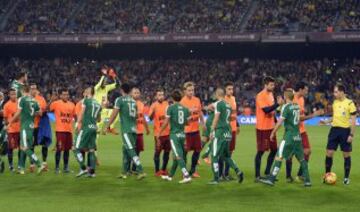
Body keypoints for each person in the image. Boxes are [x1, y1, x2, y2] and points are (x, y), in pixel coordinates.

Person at [259, 89, 311, 187]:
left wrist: (273, 132)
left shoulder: (286, 107)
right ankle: (307, 181)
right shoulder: (296, 106)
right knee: (301, 159)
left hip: (289, 137)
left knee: (279, 156)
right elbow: (298, 119)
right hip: (297, 136)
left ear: (286, 97)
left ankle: (271, 179)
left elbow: (280, 122)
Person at [105, 83, 146, 180]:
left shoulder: (119, 100)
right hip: (133, 130)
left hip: (126, 130)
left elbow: (114, 114)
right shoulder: (133, 101)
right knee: (125, 150)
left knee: (130, 150)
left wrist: (108, 126)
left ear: (121, 90)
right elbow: (136, 117)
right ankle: (124, 172)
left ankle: (140, 170)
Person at [285, 82, 323, 182]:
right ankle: (288, 176)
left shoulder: (302, 99)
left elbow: (301, 114)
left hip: (301, 130)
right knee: (290, 154)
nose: (307, 91)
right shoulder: (292, 99)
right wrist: (313, 115)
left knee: (307, 151)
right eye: (305, 90)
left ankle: (300, 174)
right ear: (300, 90)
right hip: (292, 130)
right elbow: (296, 118)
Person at [320, 84, 357, 185]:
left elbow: (353, 121)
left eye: (336, 92)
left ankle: (346, 178)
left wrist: (351, 135)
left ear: (341, 92)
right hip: (334, 131)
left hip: (345, 131)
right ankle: (327, 175)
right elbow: (334, 116)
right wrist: (326, 121)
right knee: (329, 153)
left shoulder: (350, 103)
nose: (334, 94)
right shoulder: (335, 102)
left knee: (346, 155)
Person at [208, 88, 244, 185]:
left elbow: (216, 118)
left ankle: (216, 179)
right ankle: (238, 171)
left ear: (217, 94)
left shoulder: (219, 104)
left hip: (220, 131)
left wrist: (212, 130)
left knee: (214, 155)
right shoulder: (228, 105)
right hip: (228, 132)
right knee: (226, 156)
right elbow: (230, 117)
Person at [8, 85, 46, 174]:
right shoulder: (34, 100)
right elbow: (40, 113)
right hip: (32, 126)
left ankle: (39, 164)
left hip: (25, 127)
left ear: (23, 91)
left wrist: (10, 122)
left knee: (24, 147)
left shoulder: (22, 99)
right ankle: (21, 168)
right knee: (25, 147)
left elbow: (18, 112)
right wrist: (30, 114)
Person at [159, 90, 192, 184]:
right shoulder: (186, 109)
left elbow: (166, 122)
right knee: (177, 156)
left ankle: (186, 175)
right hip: (182, 135)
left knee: (178, 156)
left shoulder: (171, 108)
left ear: (172, 98)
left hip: (174, 135)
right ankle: (170, 176)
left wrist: (160, 132)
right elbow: (188, 122)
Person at [255, 76, 283, 181]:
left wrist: (276, 122)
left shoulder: (271, 94)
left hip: (271, 127)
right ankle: (257, 176)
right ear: (265, 85)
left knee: (274, 150)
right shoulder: (260, 96)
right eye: (271, 85)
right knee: (261, 152)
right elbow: (266, 110)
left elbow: (272, 111)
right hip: (263, 128)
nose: (273, 86)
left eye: (273, 84)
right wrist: (277, 104)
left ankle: (267, 172)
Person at [73, 87, 101, 178]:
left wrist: (77, 123)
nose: (84, 92)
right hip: (94, 128)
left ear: (89, 92)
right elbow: (99, 119)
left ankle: (83, 168)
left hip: (86, 128)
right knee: (91, 150)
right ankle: (92, 173)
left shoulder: (86, 101)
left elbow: (82, 113)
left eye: (86, 91)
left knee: (75, 148)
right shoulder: (98, 104)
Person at [180, 82, 206, 178]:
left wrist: (203, 123)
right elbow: (181, 119)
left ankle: (193, 170)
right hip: (186, 131)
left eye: (193, 90)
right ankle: (184, 172)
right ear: (185, 91)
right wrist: (187, 119)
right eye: (189, 90)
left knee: (197, 150)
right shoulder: (182, 102)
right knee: (185, 152)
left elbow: (200, 112)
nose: (191, 92)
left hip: (196, 131)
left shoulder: (197, 100)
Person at [49, 88, 75, 173]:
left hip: (69, 130)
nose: (66, 96)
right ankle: (57, 167)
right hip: (60, 130)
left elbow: (75, 116)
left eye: (67, 94)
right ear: (60, 95)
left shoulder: (72, 105)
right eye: (64, 94)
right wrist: (51, 100)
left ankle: (66, 167)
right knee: (59, 149)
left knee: (67, 150)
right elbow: (48, 109)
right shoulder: (56, 104)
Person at [149, 88, 171, 176]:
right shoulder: (154, 105)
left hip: (168, 133)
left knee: (167, 152)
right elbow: (150, 118)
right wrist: (152, 113)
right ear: (156, 96)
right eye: (159, 95)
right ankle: (157, 170)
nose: (161, 96)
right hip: (158, 134)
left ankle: (164, 169)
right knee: (157, 152)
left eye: (162, 95)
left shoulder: (167, 104)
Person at [130, 87, 150, 173]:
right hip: (132, 131)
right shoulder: (129, 103)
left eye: (138, 93)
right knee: (130, 150)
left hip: (140, 131)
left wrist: (147, 128)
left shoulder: (141, 104)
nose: (137, 94)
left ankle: (134, 168)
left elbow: (143, 117)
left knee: (138, 150)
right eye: (135, 93)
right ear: (131, 94)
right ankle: (127, 168)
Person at [223, 82, 240, 180]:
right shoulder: (223, 100)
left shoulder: (233, 99)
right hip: (226, 129)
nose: (231, 91)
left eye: (232, 89)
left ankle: (226, 173)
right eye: (229, 89)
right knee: (224, 152)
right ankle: (222, 174)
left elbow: (234, 113)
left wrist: (237, 125)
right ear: (225, 90)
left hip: (233, 129)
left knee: (230, 151)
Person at [29, 84, 48, 172]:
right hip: (32, 126)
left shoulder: (41, 99)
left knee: (44, 144)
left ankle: (44, 163)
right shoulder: (26, 99)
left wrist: (33, 113)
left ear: (37, 90)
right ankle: (32, 164)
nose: (34, 90)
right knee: (31, 146)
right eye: (32, 89)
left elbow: (43, 111)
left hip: (41, 126)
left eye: (35, 88)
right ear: (29, 90)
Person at [3, 89, 20, 171]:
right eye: (12, 94)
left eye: (15, 94)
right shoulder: (6, 105)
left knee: (22, 148)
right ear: (9, 95)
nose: (14, 96)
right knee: (11, 148)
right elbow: (5, 119)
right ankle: (11, 165)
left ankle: (20, 165)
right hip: (12, 130)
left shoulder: (19, 103)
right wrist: (8, 127)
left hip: (20, 129)